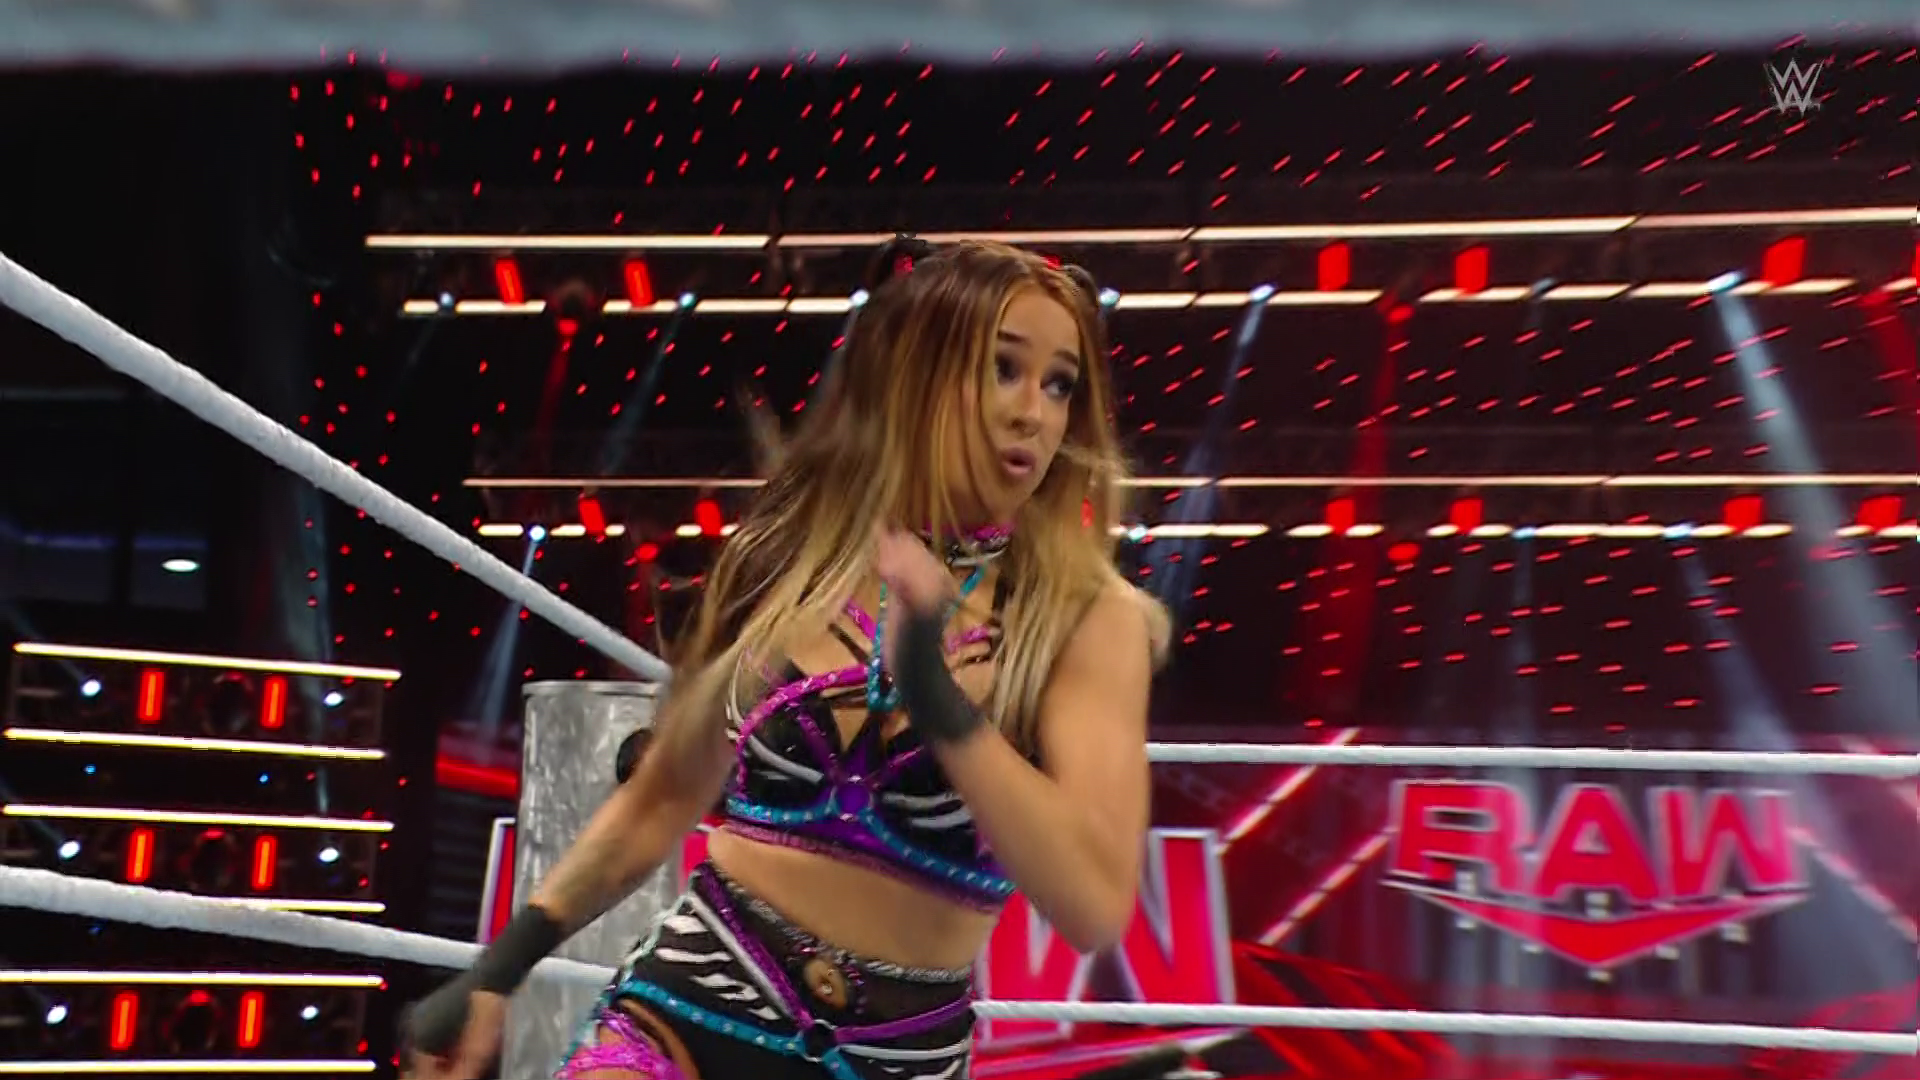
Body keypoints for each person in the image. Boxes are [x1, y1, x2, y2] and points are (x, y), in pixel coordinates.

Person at [407, 237, 1170, 1080]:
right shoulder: (796, 557)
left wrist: (940, 703)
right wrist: (499, 968)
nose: (1034, 413)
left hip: (891, 1059)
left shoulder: (1086, 619)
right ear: (917, 374)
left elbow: (1091, 904)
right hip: (692, 1004)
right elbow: (662, 796)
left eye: (1060, 384)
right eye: (1003, 369)